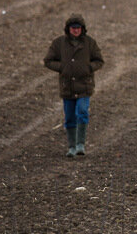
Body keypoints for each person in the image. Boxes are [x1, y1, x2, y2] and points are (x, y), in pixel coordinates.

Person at [44, 14, 104, 157]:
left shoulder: (90, 43)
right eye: (73, 28)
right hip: (67, 87)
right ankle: (71, 147)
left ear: (82, 29)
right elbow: (48, 61)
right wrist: (63, 67)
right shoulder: (59, 43)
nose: (76, 30)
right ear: (68, 29)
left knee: (82, 112)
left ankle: (80, 145)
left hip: (84, 86)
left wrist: (89, 68)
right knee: (70, 117)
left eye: (78, 28)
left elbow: (99, 60)